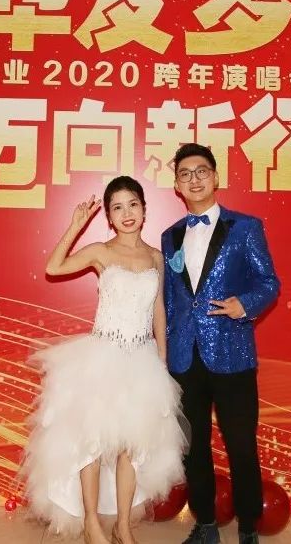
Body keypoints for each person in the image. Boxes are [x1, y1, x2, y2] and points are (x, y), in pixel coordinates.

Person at [22, 176, 187, 544]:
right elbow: (54, 267)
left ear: (144, 209)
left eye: (133, 204)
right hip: (102, 358)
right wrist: (75, 226)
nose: (126, 213)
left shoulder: (155, 257)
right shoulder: (101, 251)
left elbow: (158, 309)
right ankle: (92, 523)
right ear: (109, 217)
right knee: (93, 443)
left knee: (132, 446)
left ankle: (123, 526)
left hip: (142, 361)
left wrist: (162, 359)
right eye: (117, 207)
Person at [161, 144, 280, 544]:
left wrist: (245, 304)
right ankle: (206, 524)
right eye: (185, 174)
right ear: (176, 185)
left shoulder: (245, 227)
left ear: (215, 177)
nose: (193, 179)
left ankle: (248, 529)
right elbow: (171, 299)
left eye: (201, 171)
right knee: (193, 448)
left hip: (233, 355)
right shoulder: (169, 237)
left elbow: (269, 283)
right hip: (184, 358)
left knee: (241, 446)